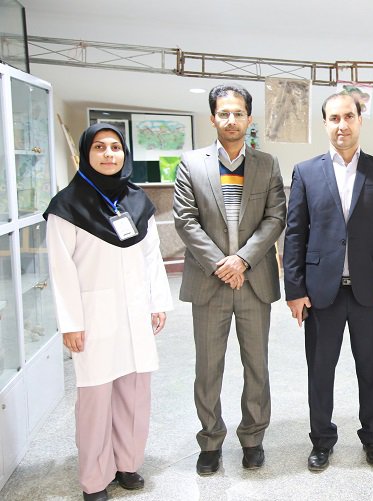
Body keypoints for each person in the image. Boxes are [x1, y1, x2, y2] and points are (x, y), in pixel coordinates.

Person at [46, 123, 172, 501]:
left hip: (135, 313)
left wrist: (157, 302)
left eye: (115, 147)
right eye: (99, 147)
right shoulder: (66, 206)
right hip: (93, 317)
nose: (108, 154)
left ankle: (128, 463)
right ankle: (94, 478)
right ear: (86, 154)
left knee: (134, 394)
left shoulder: (137, 201)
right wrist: (70, 323)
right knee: (95, 401)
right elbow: (61, 270)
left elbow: (151, 257)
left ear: (124, 154)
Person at [283, 92, 373, 471]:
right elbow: (294, 235)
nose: (342, 125)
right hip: (322, 293)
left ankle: (372, 438)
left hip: (369, 293)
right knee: (320, 371)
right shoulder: (306, 172)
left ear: (359, 120)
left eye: (349, 116)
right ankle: (322, 440)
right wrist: (294, 291)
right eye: (334, 118)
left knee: (371, 370)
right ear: (325, 124)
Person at [173, 83, 286, 475]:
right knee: (208, 368)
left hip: (253, 281)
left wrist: (242, 260)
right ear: (213, 118)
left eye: (239, 113)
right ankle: (210, 440)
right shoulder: (191, 163)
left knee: (257, 365)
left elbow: (276, 217)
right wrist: (221, 263)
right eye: (224, 113)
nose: (232, 120)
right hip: (210, 282)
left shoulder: (267, 164)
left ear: (249, 118)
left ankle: (253, 438)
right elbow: (185, 220)